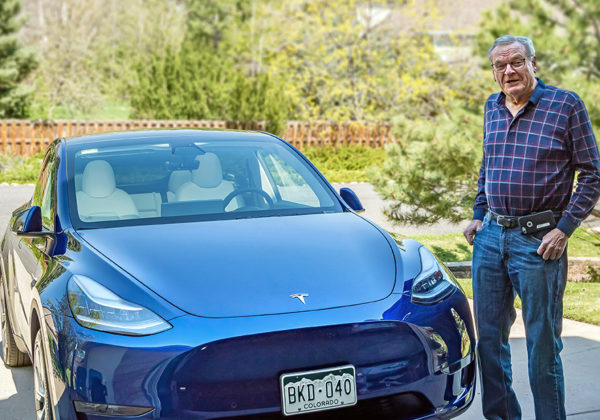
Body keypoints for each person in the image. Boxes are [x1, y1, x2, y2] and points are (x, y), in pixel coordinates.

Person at [463, 35, 600, 420]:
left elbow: (592, 174)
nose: (509, 71)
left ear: (533, 64)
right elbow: (488, 166)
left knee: (541, 345)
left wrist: (565, 229)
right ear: (493, 72)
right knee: (489, 342)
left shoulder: (565, 105)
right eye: (500, 66)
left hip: (540, 242)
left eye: (517, 62)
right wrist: (478, 212)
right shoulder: (492, 106)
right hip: (491, 237)